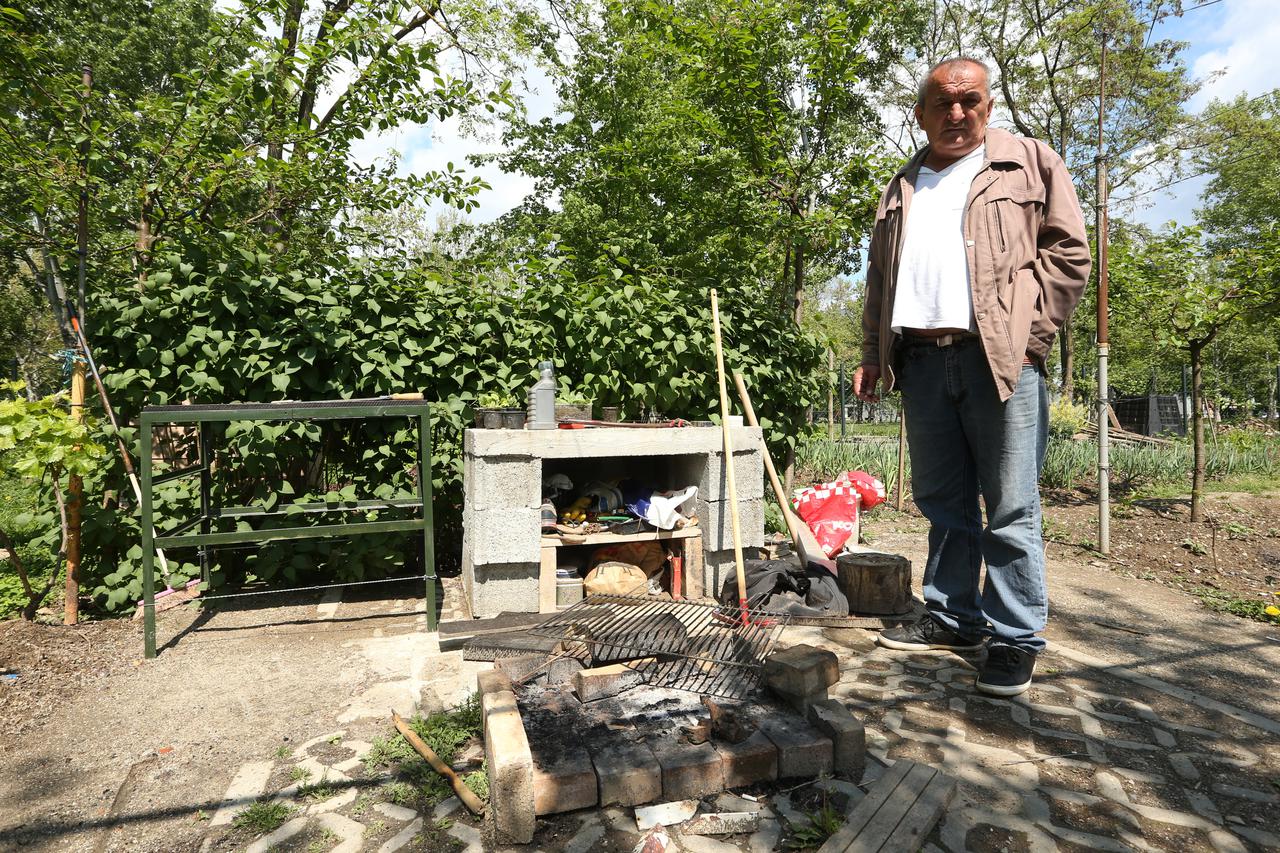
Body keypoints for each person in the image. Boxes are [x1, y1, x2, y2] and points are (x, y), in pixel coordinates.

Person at [853, 57, 1090, 696]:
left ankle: (1015, 638)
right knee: (943, 502)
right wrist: (874, 354)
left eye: (970, 101)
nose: (956, 114)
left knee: (1010, 505)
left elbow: (1068, 255)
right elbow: (880, 280)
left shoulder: (1028, 162)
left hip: (999, 361)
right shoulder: (901, 185)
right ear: (920, 113)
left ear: (988, 106)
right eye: (941, 102)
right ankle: (955, 616)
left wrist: (1028, 335)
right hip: (924, 361)